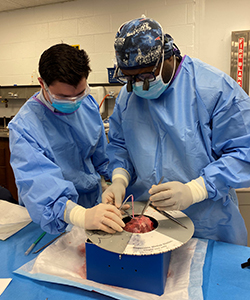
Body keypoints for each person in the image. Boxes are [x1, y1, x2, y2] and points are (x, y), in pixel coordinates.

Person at [102, 17, 250, 245]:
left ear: (168, 57)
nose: (137, 86)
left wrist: (195, 190)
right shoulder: (127, 97)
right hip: (146, 220)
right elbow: (120, 146)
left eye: (146, 76)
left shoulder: (215, 89)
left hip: (207, 223)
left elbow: (243, 153)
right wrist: (120, 179)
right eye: (129, 78)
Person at [8, 43, 125, 235]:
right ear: (42, 83)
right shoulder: (24, 128)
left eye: (79, 93)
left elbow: (101, 156)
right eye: (63, 96)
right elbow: (40, 188)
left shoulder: (86, 103)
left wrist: (114, 183)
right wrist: (81, 217)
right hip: (55, 219)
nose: (74, 102)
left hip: (94, 205)